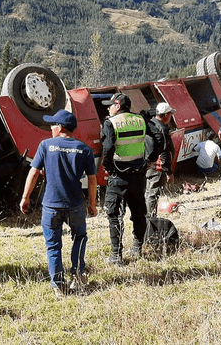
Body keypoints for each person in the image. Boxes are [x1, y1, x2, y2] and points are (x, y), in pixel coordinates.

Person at [20, 110, 97, 296]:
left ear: (60, 127)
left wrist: (25, 197)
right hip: (75, 203)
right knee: (80, 237)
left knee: (53, 245)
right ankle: (78, 276)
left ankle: (59, 286)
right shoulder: (84, 148)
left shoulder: (46, 145)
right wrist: (92, 204)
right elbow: (93, 179)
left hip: (51, 205)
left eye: (52, 125)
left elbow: (34, 172)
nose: (51, 129)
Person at [101, 93, 155, 264]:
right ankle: (137, 248)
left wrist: (107, 167)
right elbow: (157, 136)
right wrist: (150, 160)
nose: (108, 108)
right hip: (138, 175)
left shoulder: (111, 123)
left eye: (110, 105)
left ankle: (116, 255)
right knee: (139, 213)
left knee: (114, 215)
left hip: (118, 175)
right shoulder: (140, 120)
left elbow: (108, 148)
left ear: (117, 105)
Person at [145, 102, 176, 218]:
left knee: (148, 192)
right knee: (153, 193)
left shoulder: (151, 124)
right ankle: (151, 218)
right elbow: (165, 152)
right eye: (170, 114)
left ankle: (146, 216)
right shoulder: (162, 129)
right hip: (158, 167)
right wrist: (168, 172)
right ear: (166, 115)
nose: (171, 117)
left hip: (149, 165)